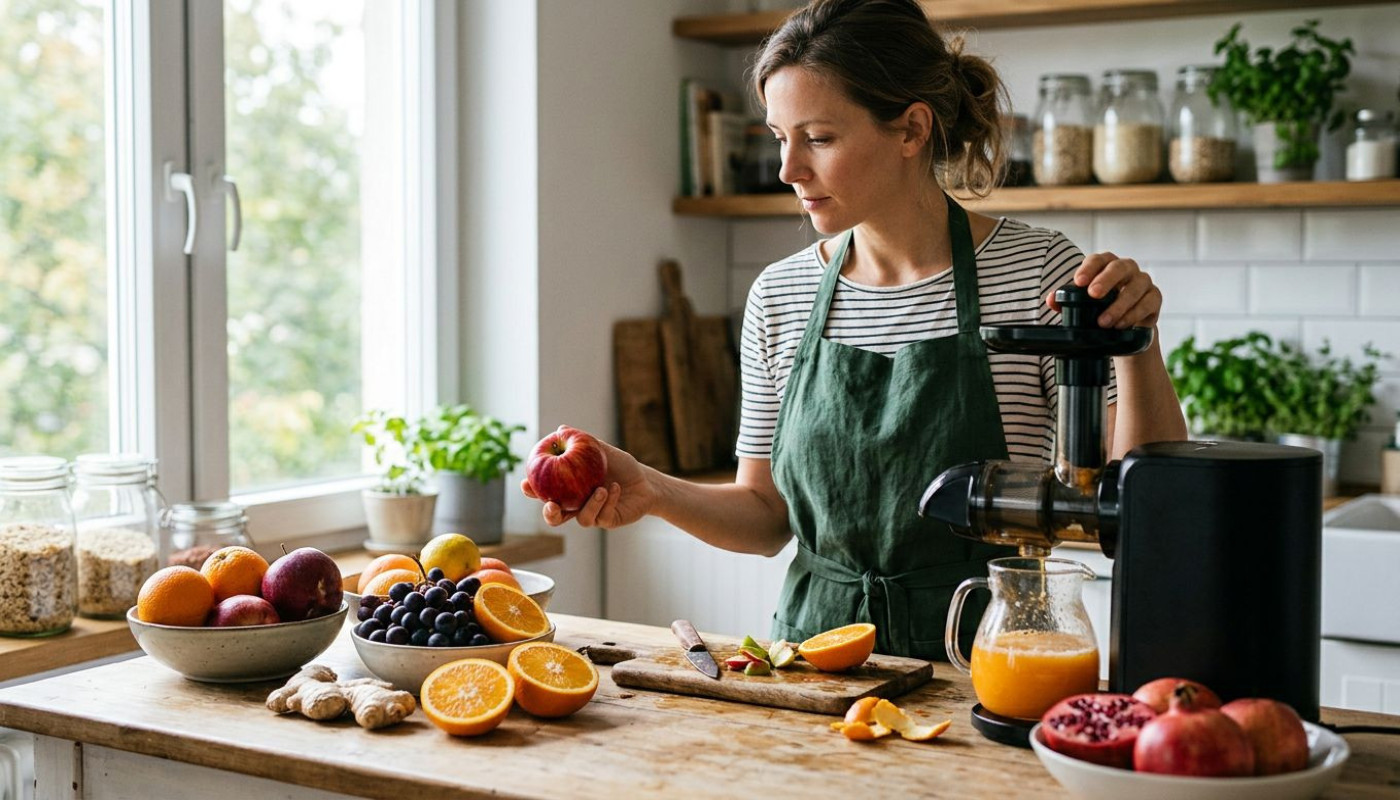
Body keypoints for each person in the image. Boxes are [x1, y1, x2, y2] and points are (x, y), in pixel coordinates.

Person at [524, 0, 1187, 660]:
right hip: (819, 664)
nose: (789, 170)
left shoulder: (1038, 272)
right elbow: (765, 516)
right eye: (779, 137)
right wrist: (651, 487)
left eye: (818, 137)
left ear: (910, 129)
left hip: (993, 659)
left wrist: (1138, 340)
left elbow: (1146, 501)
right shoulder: (781, 295)